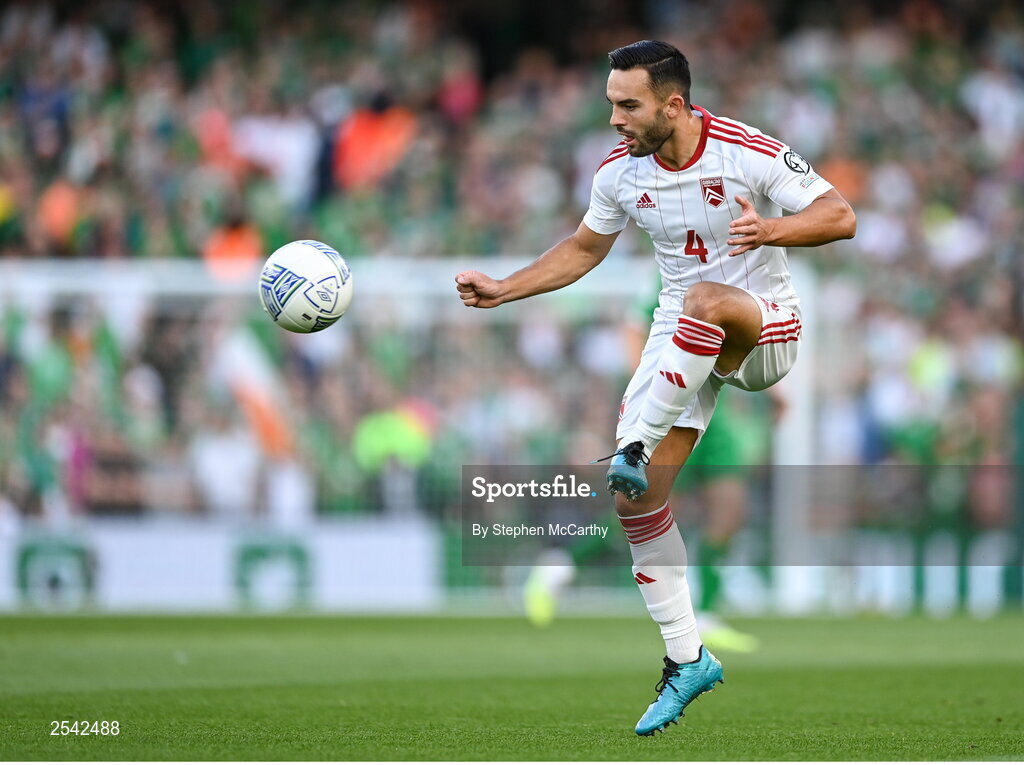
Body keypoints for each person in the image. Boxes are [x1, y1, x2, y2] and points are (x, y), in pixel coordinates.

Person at [455, 40, 855, 736]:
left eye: (627, 104)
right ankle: (688, 657)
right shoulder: (618, 175)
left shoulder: (745, 150)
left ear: (674, 104)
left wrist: (774, 227)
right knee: (635, 499)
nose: (614, 118)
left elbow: (840, 215)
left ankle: (633, 443)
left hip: (765, 331)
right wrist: (504, 288)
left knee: (702, 297)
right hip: (684, 338)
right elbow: (583, 249)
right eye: (611, 102)